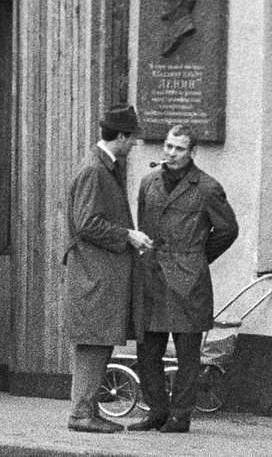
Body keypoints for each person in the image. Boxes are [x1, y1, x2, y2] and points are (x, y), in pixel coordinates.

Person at [129, 124, 238, 433]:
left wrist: (198, 258)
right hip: (152, 277)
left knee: (187, 351)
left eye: (178, 148)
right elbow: (144, 225)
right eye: (168, 146)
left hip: (188, 280)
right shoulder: (148, 183)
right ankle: (157, 411)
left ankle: (180, 415)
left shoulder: (206, 187)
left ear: (192, 153)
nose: (171, 153)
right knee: (148, 349)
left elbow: (228, 230)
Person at [63, 104, 149, 433]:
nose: (134, 145)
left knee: (97, 343)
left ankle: (85, 411)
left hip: (98, 275)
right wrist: (128, 234)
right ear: (121, 136)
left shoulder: (103, 166)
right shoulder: (95, 171)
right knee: (93, 344)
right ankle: (82, 413)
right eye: (132, 139)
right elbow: (87, 223)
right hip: (94, 276)